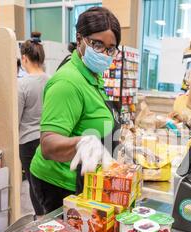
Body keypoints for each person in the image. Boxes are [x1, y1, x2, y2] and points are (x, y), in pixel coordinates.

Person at [29, 6, 121, 216]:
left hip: (83, 180)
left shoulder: (93, 76)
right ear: (80, 39)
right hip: (57, 185)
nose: (104, 54)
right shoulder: (67, 82)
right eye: (97, 44)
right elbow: (48, 144)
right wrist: (82, 142)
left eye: (110, 48)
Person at [18, 31, 50, 215]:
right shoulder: (52, 80)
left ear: (24, 58)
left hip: (28, 142)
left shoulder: (22, 85)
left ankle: (40, 220)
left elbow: (16, 117)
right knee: (47, 182)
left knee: (33, 183)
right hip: (48, 139)